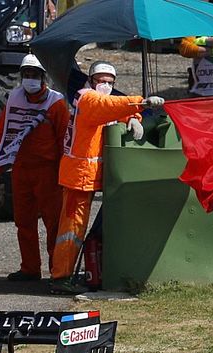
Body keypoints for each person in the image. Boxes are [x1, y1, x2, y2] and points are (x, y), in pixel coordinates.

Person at [49, 61, 164, 294]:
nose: (105, 85)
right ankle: (60, 278)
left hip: (88, 175)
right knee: (71, 231)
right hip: (78, 177)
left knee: (76, 230)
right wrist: (141, 103)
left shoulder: (97, 103)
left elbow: (113, 112)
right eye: (101, 81)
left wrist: (132, 118)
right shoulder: (87, 98)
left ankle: (65, 275)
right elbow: (108, 105)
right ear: (91, 81)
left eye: (110, 82)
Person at [0, 54, 69, 282]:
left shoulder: (56, 103)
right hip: (21, 169)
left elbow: (64, 139)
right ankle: (30, 268)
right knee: (23, 222)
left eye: (34, 75)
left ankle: (57, 270)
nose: (30, 79)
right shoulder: (14, 99)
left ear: (43, 77)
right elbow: (2, 133)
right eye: (26, 74)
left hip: (48, 171)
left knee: (54, 223)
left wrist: (64, 173)